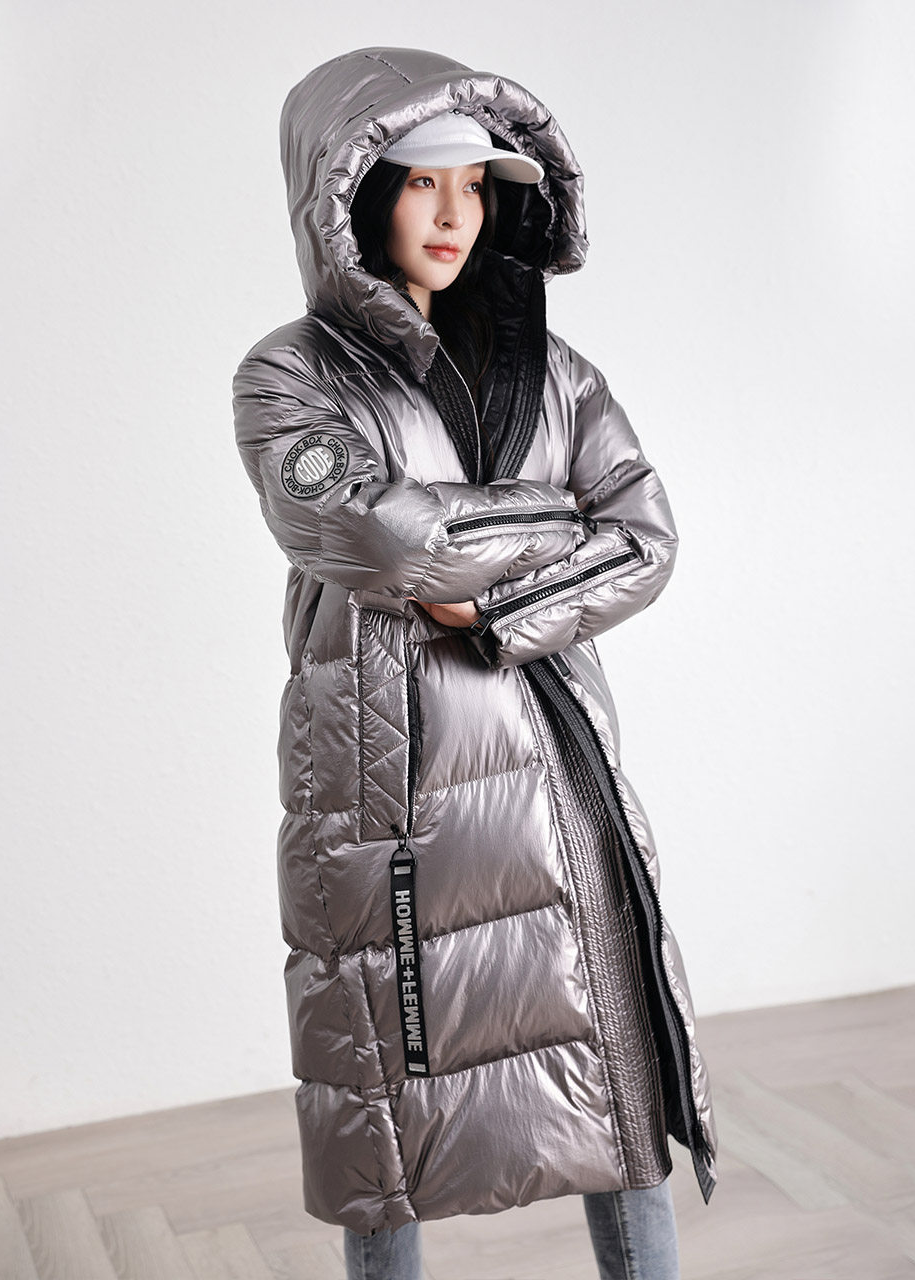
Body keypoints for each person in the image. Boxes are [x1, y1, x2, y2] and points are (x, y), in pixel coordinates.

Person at [233, 47, 718, 1280]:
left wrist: (486, 600)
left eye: (476, 184)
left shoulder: (558, 374)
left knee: (611, 1078)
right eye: (420, 182)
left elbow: (646, 538)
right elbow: (370, 534)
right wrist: (556, 530)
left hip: (551, 768)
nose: (454, 213)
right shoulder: (288, 376)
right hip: (385, 790)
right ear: (351, 196)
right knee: (381, 1109)